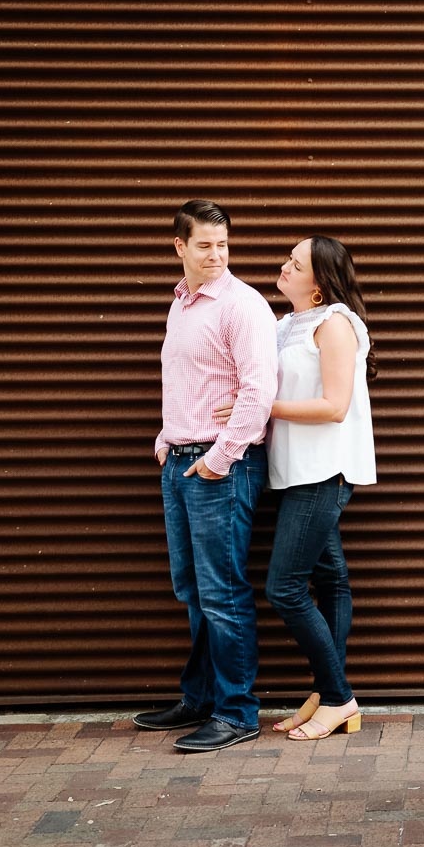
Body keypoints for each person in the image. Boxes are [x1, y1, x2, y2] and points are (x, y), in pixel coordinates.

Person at [215, 236, 377, 741]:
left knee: (284, 587)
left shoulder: (336, 324)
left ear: (319, 284)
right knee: (330, 581)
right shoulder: (287, 324)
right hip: (296, 471)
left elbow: (334, 405)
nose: (283, 266)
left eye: (296, 263)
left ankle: (337, 696)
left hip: (325, 470)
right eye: (287, 258)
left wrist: (258, 407)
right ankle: (328, 693)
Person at [136, 200, 277, 753]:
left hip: (221, 468)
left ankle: (238, 712)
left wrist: (220, 457)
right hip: (180, 462)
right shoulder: (181, 304)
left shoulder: (242, 306)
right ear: (179, 247)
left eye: (223, 244)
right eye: (204, 245)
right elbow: (188, 379)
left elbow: (259, 392)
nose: (216, 254)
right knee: (191, 589)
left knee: (222, 592)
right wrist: (166, 438)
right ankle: (200, 698)